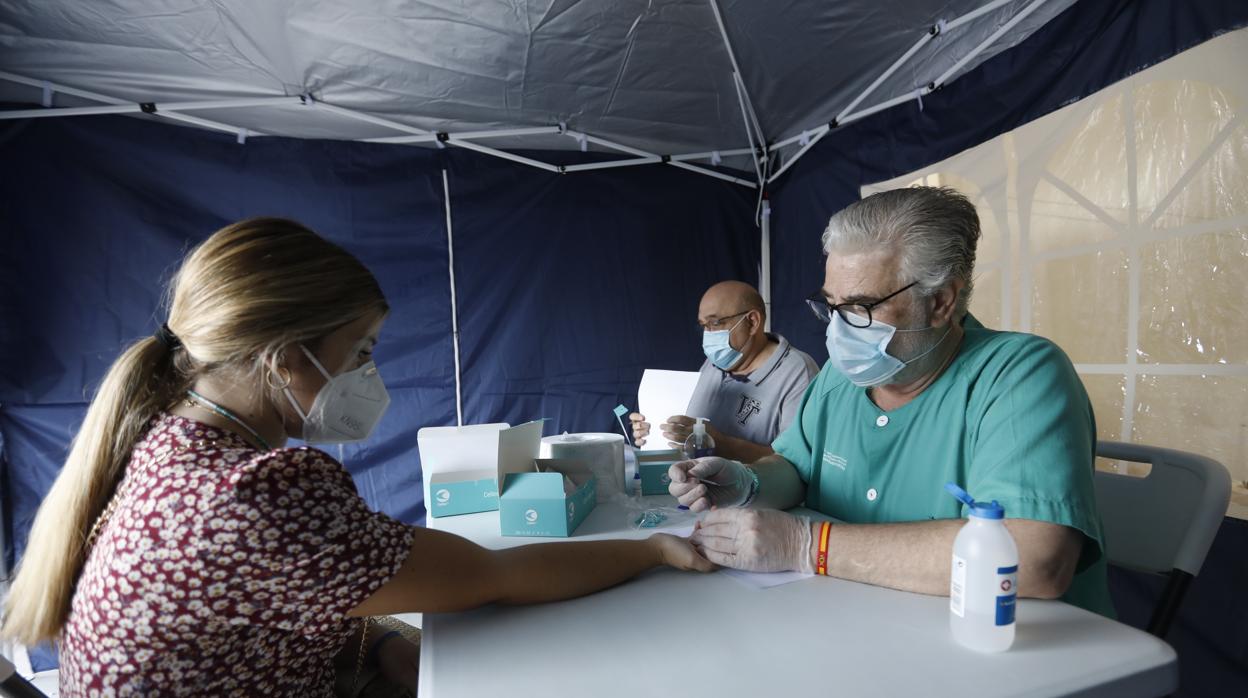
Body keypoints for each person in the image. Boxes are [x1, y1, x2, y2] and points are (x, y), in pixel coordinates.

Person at [0, 218, 712, 697]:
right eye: (361, 352)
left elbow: (258, 602)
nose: (371, 375)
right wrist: (652, 549)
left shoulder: (162, 440)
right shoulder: (256, 489)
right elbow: (495, 576)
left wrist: (369, 647)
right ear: (284, 360)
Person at [669, 187, 1114, 616]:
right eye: (831, 306)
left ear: (940, 301)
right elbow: (796, 468)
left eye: (861, 307)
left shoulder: (1019, 375)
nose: (838, 331)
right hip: (857, 624)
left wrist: (807, 546)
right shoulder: (839, 380)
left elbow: (1035, 558)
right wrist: (747, 484)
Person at [630, 281, 819, 461]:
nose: (708, 335)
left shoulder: (798, 373)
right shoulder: (716, 362)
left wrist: (721, 445)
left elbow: (797, 461)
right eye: (704, 326)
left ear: (752, 322)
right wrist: (654, 430)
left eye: (715, 323)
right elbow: (691, 426)